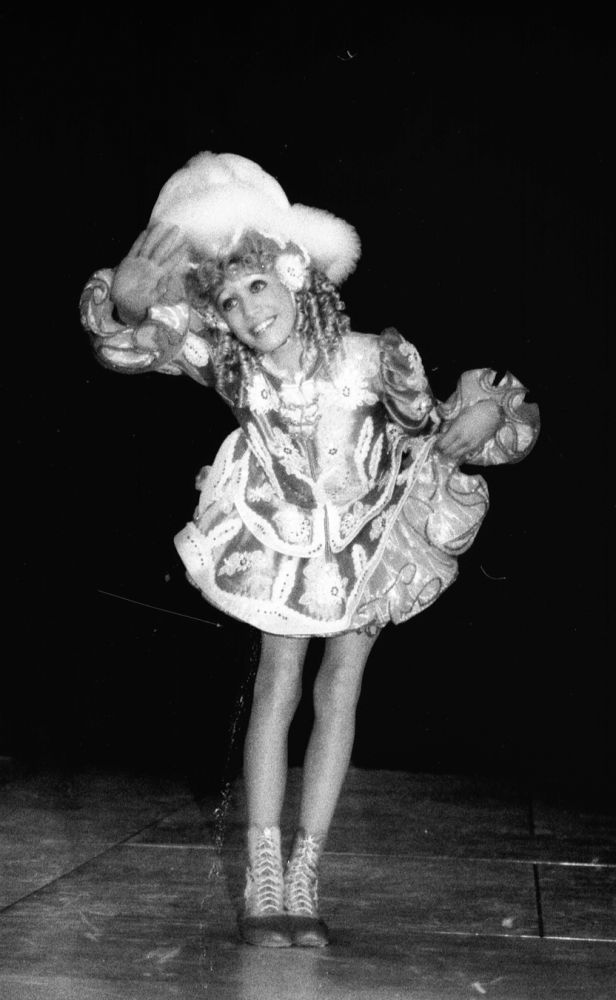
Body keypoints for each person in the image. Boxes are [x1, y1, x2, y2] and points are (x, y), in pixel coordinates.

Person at [80, 151, 540, 949]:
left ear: (296, 275)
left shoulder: (374, 357)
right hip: (282, 541)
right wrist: (125, 304)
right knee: (277, 683)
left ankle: (305, 873)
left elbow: (436, 430)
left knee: (340, 690)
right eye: (229, 299)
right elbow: (137, 345)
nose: (248, 310)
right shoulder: (233, 367)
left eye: (259, 285)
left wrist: (487, 416)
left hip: (371, 541)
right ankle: (263, 880)